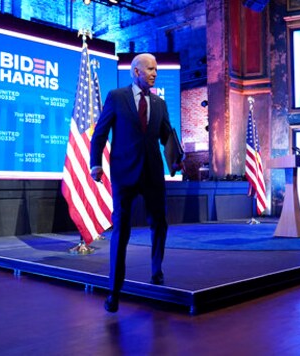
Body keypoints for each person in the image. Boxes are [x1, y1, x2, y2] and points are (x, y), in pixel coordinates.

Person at [90, 53, 178, 313]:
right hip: (124, 174)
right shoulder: (117, 97)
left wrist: (175, 160)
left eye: (156, 70)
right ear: (136, 71)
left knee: (159, 223)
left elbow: (167, 136)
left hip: (152, 174)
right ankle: (114, 291)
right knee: (121, 230)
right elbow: (100, 133)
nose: (155, 73)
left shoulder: (160, 103)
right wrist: (96, 163)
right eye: (150, 69)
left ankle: (156, 270)